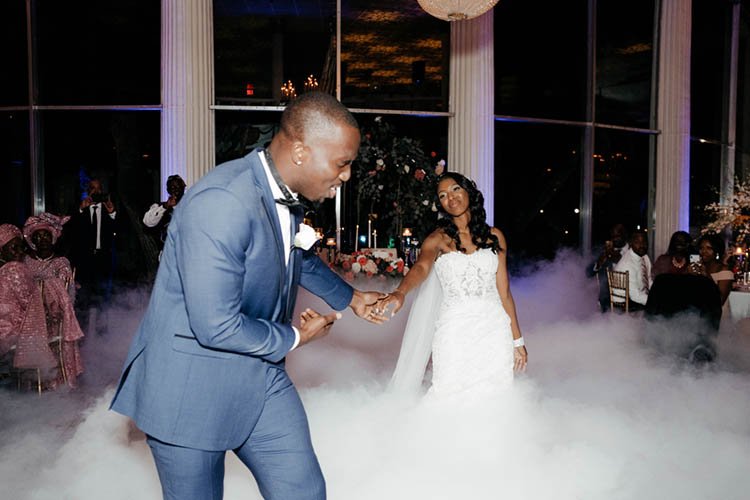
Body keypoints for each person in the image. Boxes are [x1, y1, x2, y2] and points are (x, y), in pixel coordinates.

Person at [110, 92, 387, 500]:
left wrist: (350, 298)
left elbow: (295, 256)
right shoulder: (222, 201)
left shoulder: (284, 196)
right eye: (342, 163)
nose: (346, 175)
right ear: (299, 151)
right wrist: (296, 337)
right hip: (192, 386)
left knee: (304, 492)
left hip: (262, 375)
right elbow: (215, 326)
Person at [381, 172, 528, 397]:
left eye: (455, 189)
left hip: (494, 331)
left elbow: (504, 293)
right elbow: (421, 268)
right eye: (442, 195)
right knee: (449, 394)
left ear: (468, 191)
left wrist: (517, 341)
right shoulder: (437, 239)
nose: (451, 197)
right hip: (454, 331)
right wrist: (400, 292)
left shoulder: (495, 236)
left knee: (495, 397)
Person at [22, 213, 84, 388]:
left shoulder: (61, 263)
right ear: (33, 240)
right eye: (38, 236)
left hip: (55, 318)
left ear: (52, 237)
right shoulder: (25, 261)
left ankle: (57, 384)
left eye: (46, 235)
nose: (42, 239)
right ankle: (35, 385)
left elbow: (67, 293)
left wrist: (55, 310)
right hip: (31, 318)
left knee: (55, 346)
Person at [0, 224, 58, 385]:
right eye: (14, 248)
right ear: (1, 251)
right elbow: (29, 301)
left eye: (21, 248)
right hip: (11, 333)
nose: (20, 252)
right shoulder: (15, 269)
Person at [72, 178, 118, 334]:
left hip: (103, 259)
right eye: (92, 188)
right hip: (85, 260)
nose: (96, 192)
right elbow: (70, 230)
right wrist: (80, 209)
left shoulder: (108, 209)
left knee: (102, 297)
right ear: (87, 190)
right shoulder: (81, 209)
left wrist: (112, 213)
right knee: (83, 297)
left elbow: (121, 232)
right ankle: (81, 333)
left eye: (99, 189)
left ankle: (102, 333)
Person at [587, 223, 629, 312]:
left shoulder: (633, 252)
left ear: (625, 236)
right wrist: (599, 263)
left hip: (629, 300)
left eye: (618, 235)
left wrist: (619, 260)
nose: (615, 238)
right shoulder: (605, 251)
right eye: (613, 236)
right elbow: (588, 273)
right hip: (606, 302)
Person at [143, 174, 186, 252]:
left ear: (183, 187)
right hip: (167, 255)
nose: (174, 189)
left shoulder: (191, 206)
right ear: (168, 190)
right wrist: (165, 206)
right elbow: (147, 222)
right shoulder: (159, 207)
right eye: (171, 187)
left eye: (177, 186)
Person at [613, 231, 652, 311]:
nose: (642, 245)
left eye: (645, 242)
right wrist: (654, 301)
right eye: (638, 242)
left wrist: (656, 294)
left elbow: (649, 280)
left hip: (638, 297)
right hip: (624, 304)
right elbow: (635, 296)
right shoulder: (627, 264)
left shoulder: (645, 257)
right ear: (631, 243)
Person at [691, 233, 733, 306]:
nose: (704, 251)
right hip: (696, 312)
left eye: (709, 248)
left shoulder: (724, 271)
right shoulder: (698, 267)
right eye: (701, 248)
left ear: (716, 251)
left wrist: (706, 276)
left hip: (715, 314)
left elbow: (719, 300)